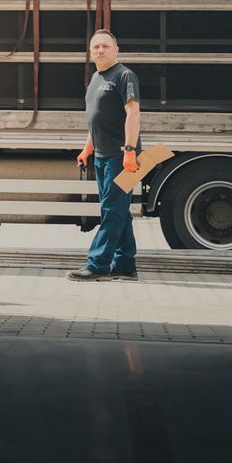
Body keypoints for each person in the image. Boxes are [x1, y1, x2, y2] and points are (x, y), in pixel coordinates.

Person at [67, 30, 142, 281]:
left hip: (121, 157)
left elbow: (133, 113)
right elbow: (96, 118)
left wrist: (130, 151)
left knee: (111, 210)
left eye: (105, 46)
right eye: (96, 47)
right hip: (101, 154)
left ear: (116, 50)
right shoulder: (96, 78)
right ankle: (125, 264)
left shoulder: (124, 75)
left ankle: (97, 264)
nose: (100, 50)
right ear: (90, 52)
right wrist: (88, 147)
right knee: (118, 210)